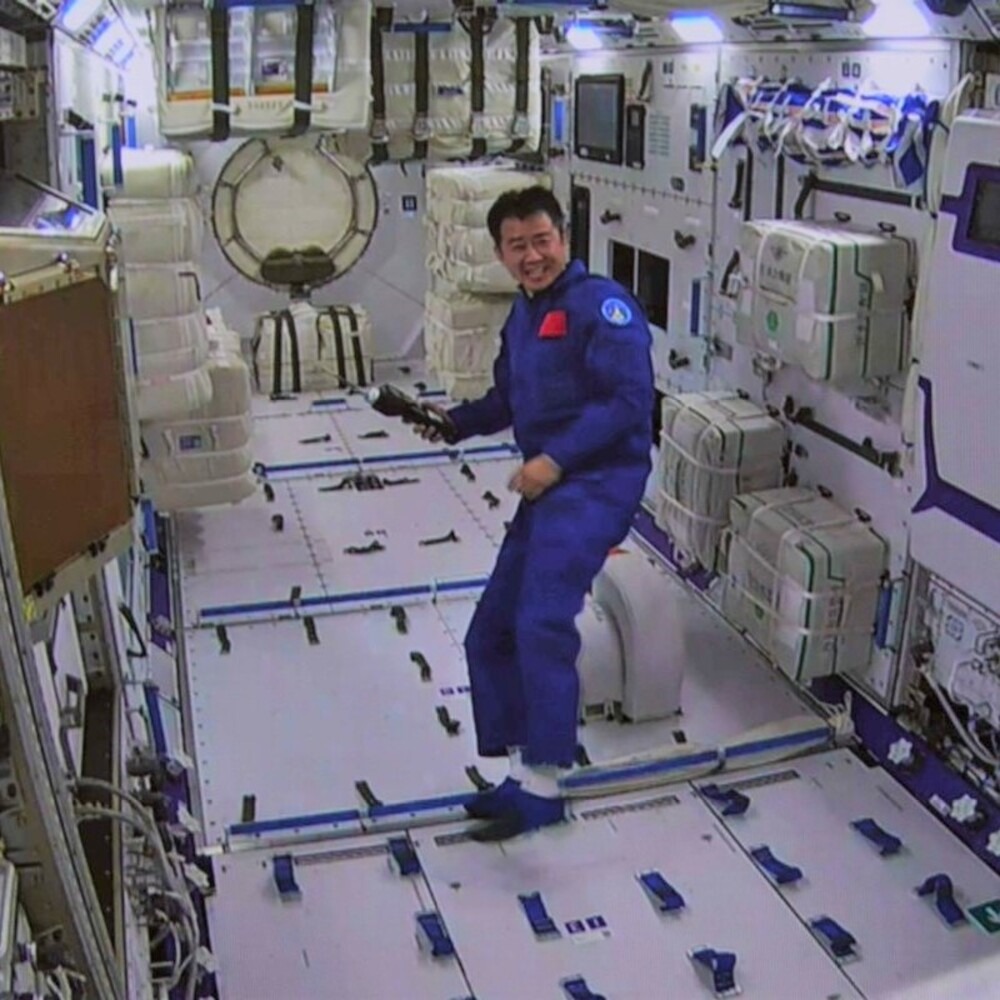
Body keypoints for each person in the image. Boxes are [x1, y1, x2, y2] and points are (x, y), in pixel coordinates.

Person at [418, 185, 654, 841]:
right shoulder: (523, 316)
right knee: (489, 631)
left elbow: (629, 401)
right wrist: (451, 423)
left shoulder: (600, 305)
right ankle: (521, 773)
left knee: (541, 623)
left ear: (564, 239)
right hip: (550, 486)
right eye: (517, 245)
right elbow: (507, 400)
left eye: (541, 241)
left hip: (597, 482)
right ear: (500, 253)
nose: (532, 256)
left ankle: (546, 790)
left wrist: (555, 458)